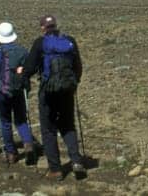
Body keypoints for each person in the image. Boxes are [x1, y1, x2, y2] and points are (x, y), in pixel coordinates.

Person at [24, 14, 86, 179]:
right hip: (67, 90)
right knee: (68, 125)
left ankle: (55, 169)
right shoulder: (69, 40)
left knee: (49, 129)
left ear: (43, 27)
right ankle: (76, 161)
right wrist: (74, 83)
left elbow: (29, 68)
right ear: (56, 26)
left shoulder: (40, 43)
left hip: (48, 92)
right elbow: (78, 66)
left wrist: (23, 76)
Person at [0, 22, 37, 165]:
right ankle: (28, 144)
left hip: (2, 91)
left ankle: (11, 153)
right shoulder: (22, 51)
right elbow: (29, 69)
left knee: (5, 121)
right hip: (18, 90)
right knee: (21, 119)